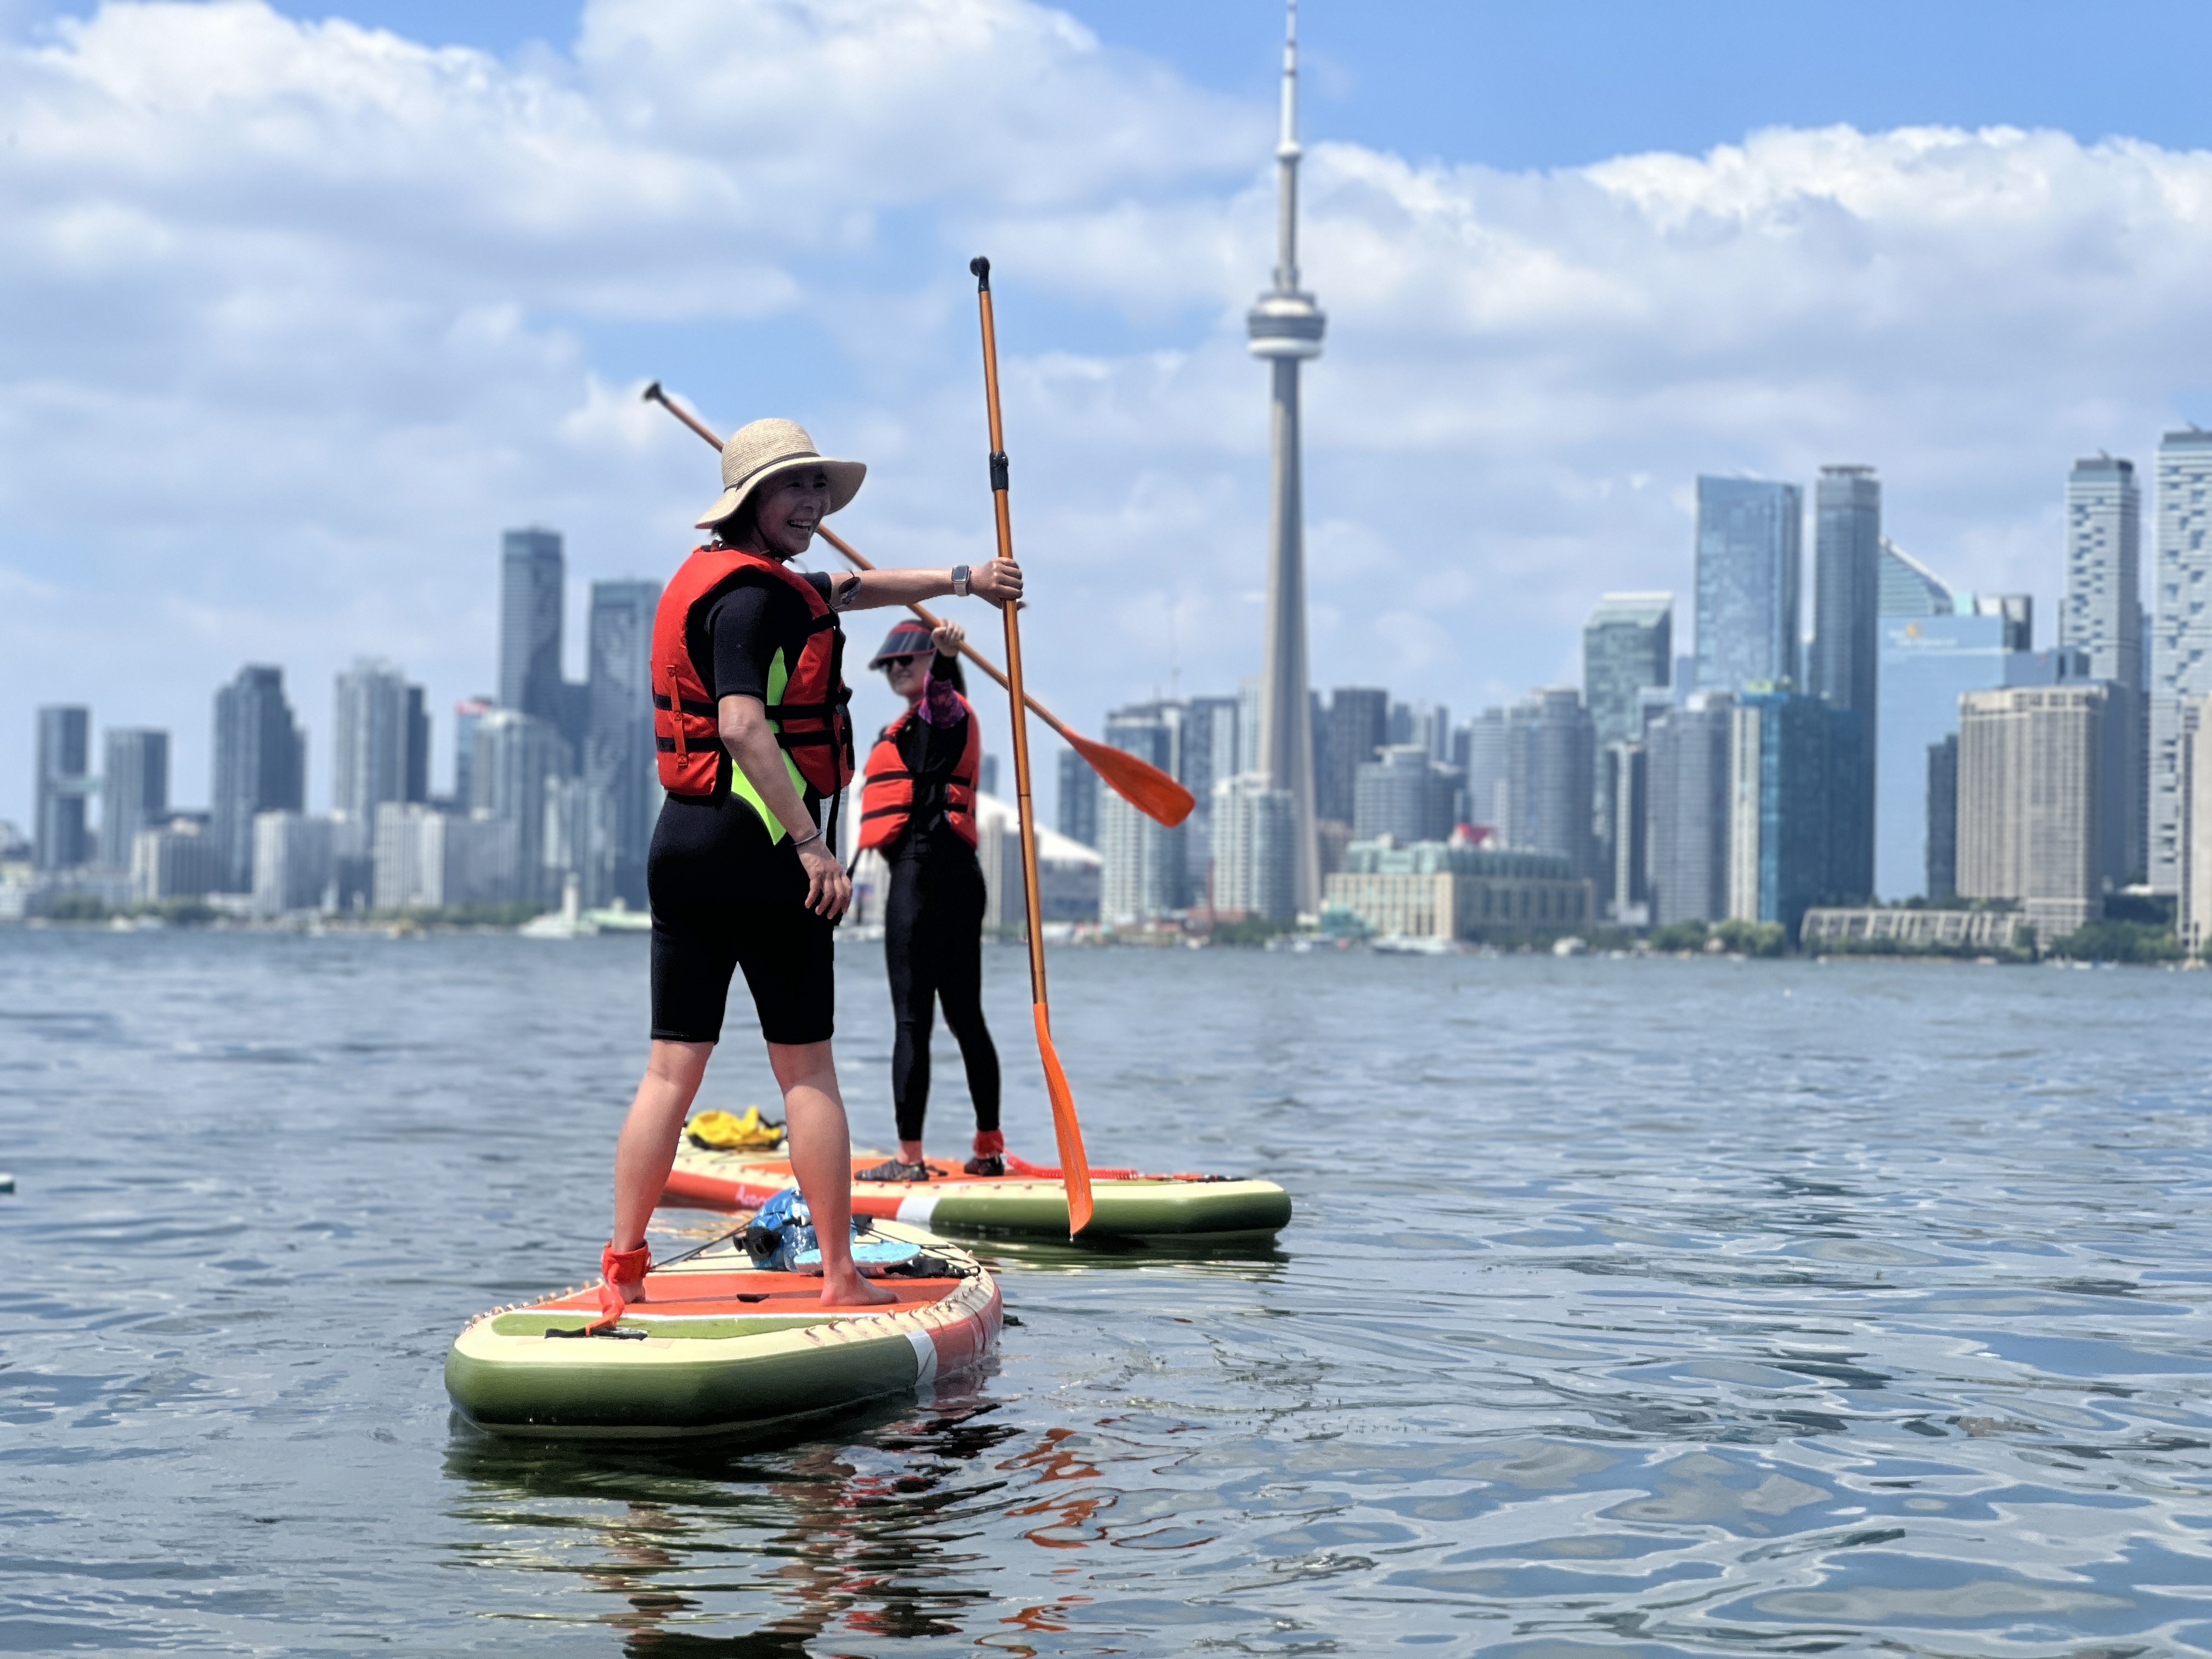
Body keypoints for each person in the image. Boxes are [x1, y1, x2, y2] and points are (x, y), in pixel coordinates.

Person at [596, 417, 1020, 1317]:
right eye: (796, 489)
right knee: (807, 1072)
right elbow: (745, 724)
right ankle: (837, 1274)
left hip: (681, 842)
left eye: (819, 491)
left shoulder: (715, 584)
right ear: (751, 500)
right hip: (761, 847)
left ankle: (623, 1271)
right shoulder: (763, 599)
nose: (813, 506)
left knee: (670, 1071)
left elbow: (855, 586)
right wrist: (811, 843)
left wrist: (964, 580)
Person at [853, 617, 1003, 1182]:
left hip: (923, 878)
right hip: (960, 879)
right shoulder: (914, 722)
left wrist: (941, 661)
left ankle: (911, 1159)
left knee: (917, 1020)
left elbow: (943, 705)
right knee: (964, 1017)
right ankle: (988, 1149)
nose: (896, 669)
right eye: (889, 664)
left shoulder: (945, 710)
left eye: (906, 661)